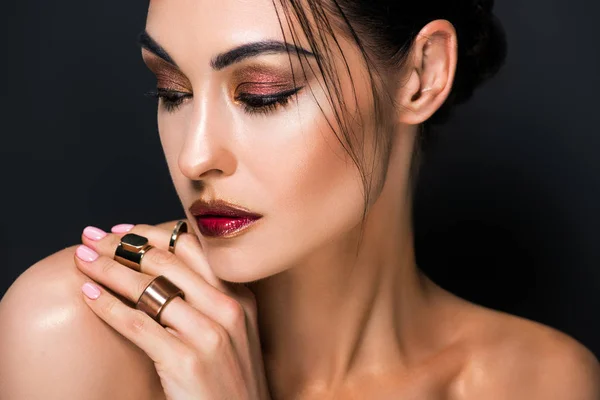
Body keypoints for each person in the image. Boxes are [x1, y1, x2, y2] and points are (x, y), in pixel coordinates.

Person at [1, 0, 599, 398]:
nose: (194, 156)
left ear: (421, 74)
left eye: (263, 92)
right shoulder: (74, 332)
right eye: (172, 90)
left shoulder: (544, 381)